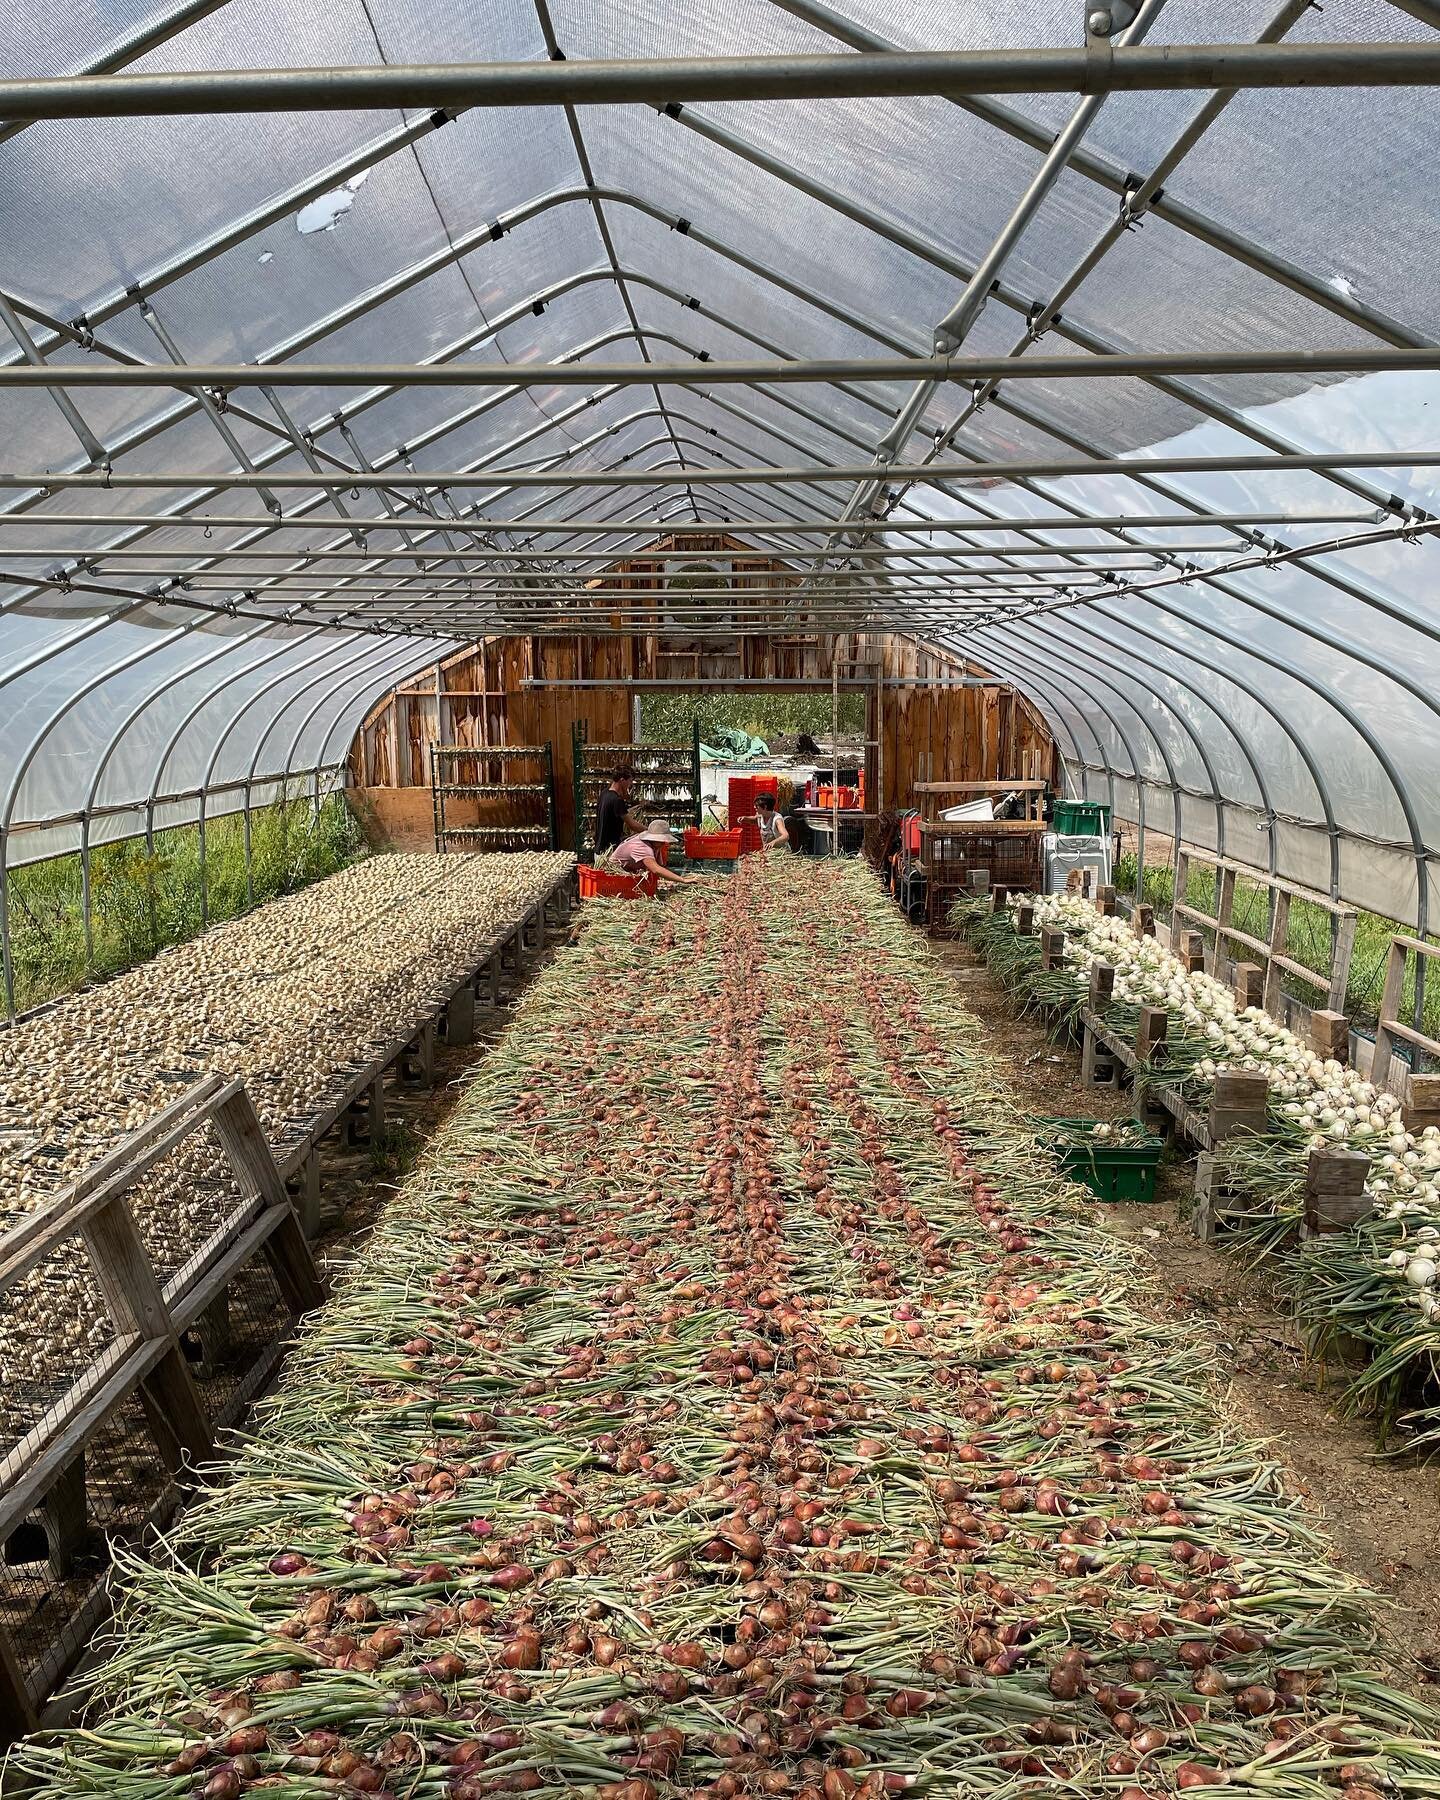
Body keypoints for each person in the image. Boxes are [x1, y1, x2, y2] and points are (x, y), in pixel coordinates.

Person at [611, 819, 706, 888]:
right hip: (614, 874)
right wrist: (683, 880)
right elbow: (656, 869)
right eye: (661, 840)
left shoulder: (655, 845)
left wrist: (678, 877)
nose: (664, 843)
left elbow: (660, 867)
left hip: (629, 872)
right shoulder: (642, 847)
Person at [596, 764, 641, 855]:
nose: (630, 784)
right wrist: (651, 830)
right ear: (622, 780)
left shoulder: (604, 793)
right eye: (630, 781)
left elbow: (620, 812)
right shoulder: (617, 800)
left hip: (599, 849)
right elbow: (632, 825)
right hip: (609, 851)